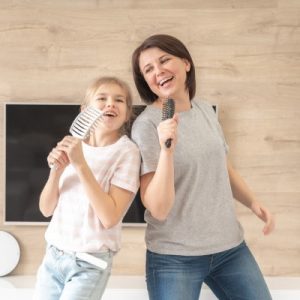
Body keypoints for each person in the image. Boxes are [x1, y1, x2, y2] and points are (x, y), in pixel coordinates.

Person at [131, 34, 275, 300]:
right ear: (145, 81)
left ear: (186, 63)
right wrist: (166, 150)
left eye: (165, 60)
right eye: (148, 69)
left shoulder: (205, 110)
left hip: (230, 248)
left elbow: (222, 165)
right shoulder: (147, 126)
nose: (158, 71)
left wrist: (253, 202)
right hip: (174, 257)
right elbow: (158, 208)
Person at [34, 76, 141, 300]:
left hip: (89, 263)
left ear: (128, 112)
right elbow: (46, 209)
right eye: (102, 98)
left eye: (119, 100)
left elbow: (110, 217)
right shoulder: (73, 146)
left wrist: (80, 164)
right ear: (84, 110)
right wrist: (57, 171)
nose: (110, 104)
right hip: (53, 256)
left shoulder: (126, 153)